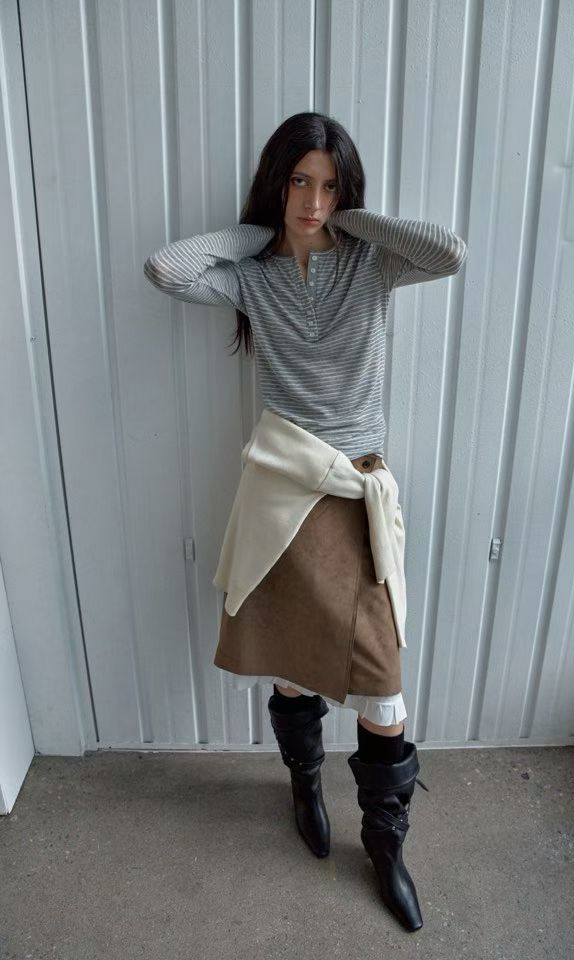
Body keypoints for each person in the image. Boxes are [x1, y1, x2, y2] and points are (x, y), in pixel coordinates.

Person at [143, 111, 467, 932]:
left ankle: (386, 846)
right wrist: (263, 234)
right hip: (281, 489)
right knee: (290, 664)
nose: (313, 201)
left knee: (382, 687)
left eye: (328, 185)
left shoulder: (371, 264)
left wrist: (348, 220)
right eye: (299, 182)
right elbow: (166, 269)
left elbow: (449, 252)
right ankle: (303, 786)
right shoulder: (252, 278)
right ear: (277, 183)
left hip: (356, 492)